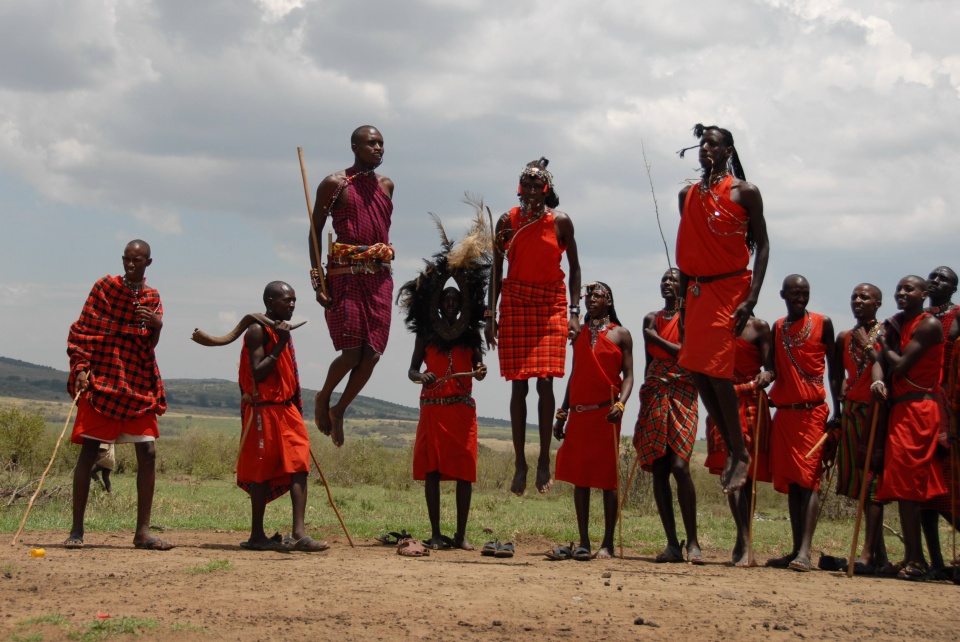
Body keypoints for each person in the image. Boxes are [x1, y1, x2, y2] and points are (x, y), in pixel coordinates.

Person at [675, 124, 769, 494]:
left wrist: (752, 298)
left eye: (713, 144)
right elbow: (686, 255)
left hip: (730, 288)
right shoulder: (687, 195)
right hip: (696, 291)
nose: (705, 149)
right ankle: (732, 447)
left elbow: (762, 245)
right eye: (702, 144)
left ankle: (740, 451)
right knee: (696, 370)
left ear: (728, 151)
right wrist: (682, 307)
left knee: (716, 372)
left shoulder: (745, 193)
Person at [64, 240, 172, 550]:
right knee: (88, 451)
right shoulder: (104, 288)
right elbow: (83, 330)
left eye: (137, 261)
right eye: (127, 259)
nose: (130, 265)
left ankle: (142, 532)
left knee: (148, 453)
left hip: (137, 379)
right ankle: (77, 531)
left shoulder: (152, 297)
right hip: (103, 377)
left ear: (148, 263)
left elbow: (148, 344)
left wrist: (157, 326)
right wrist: (81, 368)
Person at [486, 158, 581, 495]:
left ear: (546, 190)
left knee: (545, 381)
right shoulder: (506, 221)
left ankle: (543, 459)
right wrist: (490, 315)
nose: (529, 190)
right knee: (518, 385)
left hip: (551, 303)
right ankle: (520, 463)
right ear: (518, 188)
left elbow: (575, 268)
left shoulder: (561, 222)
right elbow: (496, 271)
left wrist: (574, 312)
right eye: (524, 185)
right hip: (515, 300)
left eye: (535, 186)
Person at [400, 211, 489, 552]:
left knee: (465, 471)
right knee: (433, 472)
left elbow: (480, 368)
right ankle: (436, 533)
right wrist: (421, 375)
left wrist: (479, 372)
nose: (451, 304)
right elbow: (411, 371)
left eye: (456, 300)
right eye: (445, 300)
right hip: (433, 410)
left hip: (462, 410)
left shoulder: (469, 335)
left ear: (462, 304)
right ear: (438, 303)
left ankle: (461, 534)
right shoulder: (426, 334)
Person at [309, 125, 394, 448]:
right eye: (371, 143)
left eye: (382, 144)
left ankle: (340, 408)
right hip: (345, 275)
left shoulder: (387, 186)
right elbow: (314, 232)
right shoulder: (335, 184)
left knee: (372, 354)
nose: (378, 149)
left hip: (380, 277)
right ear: (355, 147)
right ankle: (323, 396)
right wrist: (318, 281)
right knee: (350, 353)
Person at [237, 282, 327, 552]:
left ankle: (299, 533)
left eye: (294, 300)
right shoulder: (257, 331)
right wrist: (280, 344)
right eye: (286, 300)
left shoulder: (280, 330)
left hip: (287, 410)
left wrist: (282, 339)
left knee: (299, 464)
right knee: (262, 470)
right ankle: (256, 535)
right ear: (269, 301)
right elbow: (258, 373)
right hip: (264, 409)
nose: (292, 305)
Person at [551, 282, 633, 561]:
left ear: (609, 301)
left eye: (597, 296)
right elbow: (575, 375)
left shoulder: (622, 335)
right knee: (581, 479)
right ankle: (584, 541)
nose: (591, 300)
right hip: (580, 414)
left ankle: (607, 543)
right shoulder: (580, 334)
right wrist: (562, 413)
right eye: (588, 297)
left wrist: (621, 403)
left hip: (607, 414)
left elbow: (630, 376)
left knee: (607, 480)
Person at [873, 275, 948, 579]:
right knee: (908, 485)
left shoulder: (928, 325)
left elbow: (901, 364)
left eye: (909, 289)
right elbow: (882, 360)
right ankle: (915, 558)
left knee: (910, 487)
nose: (901, 293)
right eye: (899, 289)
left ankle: (916, 560)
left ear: (925, 293)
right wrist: (878, 376)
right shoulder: (897, 323)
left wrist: (876, 344)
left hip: (918, 408)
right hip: (901, 408)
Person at [766, 275, 840, 572]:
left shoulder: (824, 323)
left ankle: (806, 552)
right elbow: (771, 367)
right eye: (795, 293)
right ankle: (796, 549)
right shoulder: (777, 328)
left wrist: (839, 410)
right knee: (794, 484)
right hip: (785, 414)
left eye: (805, 293)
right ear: (783, 294)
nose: (800, 297)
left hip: (813, 414)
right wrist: (764, 379)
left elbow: (834, 371)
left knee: (809, 481)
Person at [632, 269, 702, 564]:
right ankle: (673, 544)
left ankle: (694, 542)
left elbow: (687, 354)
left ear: (684, 287)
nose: (668, 283)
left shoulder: (693, 318)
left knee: (680, 465)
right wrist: (648, 391)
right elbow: (650, 363)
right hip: (657, 390)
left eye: (674, 280)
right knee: (659, 467)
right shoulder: (651, 319)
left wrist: (656, 339)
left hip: (684, 391)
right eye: (664, 279)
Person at [703, 315, 774, 567]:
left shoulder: (759, 327)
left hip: (751, 401)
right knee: (730, 472)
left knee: (748, 476)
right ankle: (745, 543)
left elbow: (771, 366)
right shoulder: (714, 325)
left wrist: (767, 375)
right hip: (723, 403)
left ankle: (744, 541)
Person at [833, 283, 888, 574]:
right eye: (854, 296)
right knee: (859, 482)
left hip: (875, 413)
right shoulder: (843, 337)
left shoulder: (886, 333)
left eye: (865, 297)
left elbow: (887, 366)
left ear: (877, 303)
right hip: (851, 412)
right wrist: (838, 410)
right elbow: (837, 376)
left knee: (873, 482)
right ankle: (880, 555)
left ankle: (867, 553)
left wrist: (867, 344)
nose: (858, 300)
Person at [920, 266, 960, 573]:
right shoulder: (918, 319)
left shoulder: (956, 317)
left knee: (950, 487)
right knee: (925, 492)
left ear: (953, 288)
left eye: (943, 278)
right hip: (920, 407)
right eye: (932, 276)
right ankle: (935, 562)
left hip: (949, 408)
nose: (935, 281)